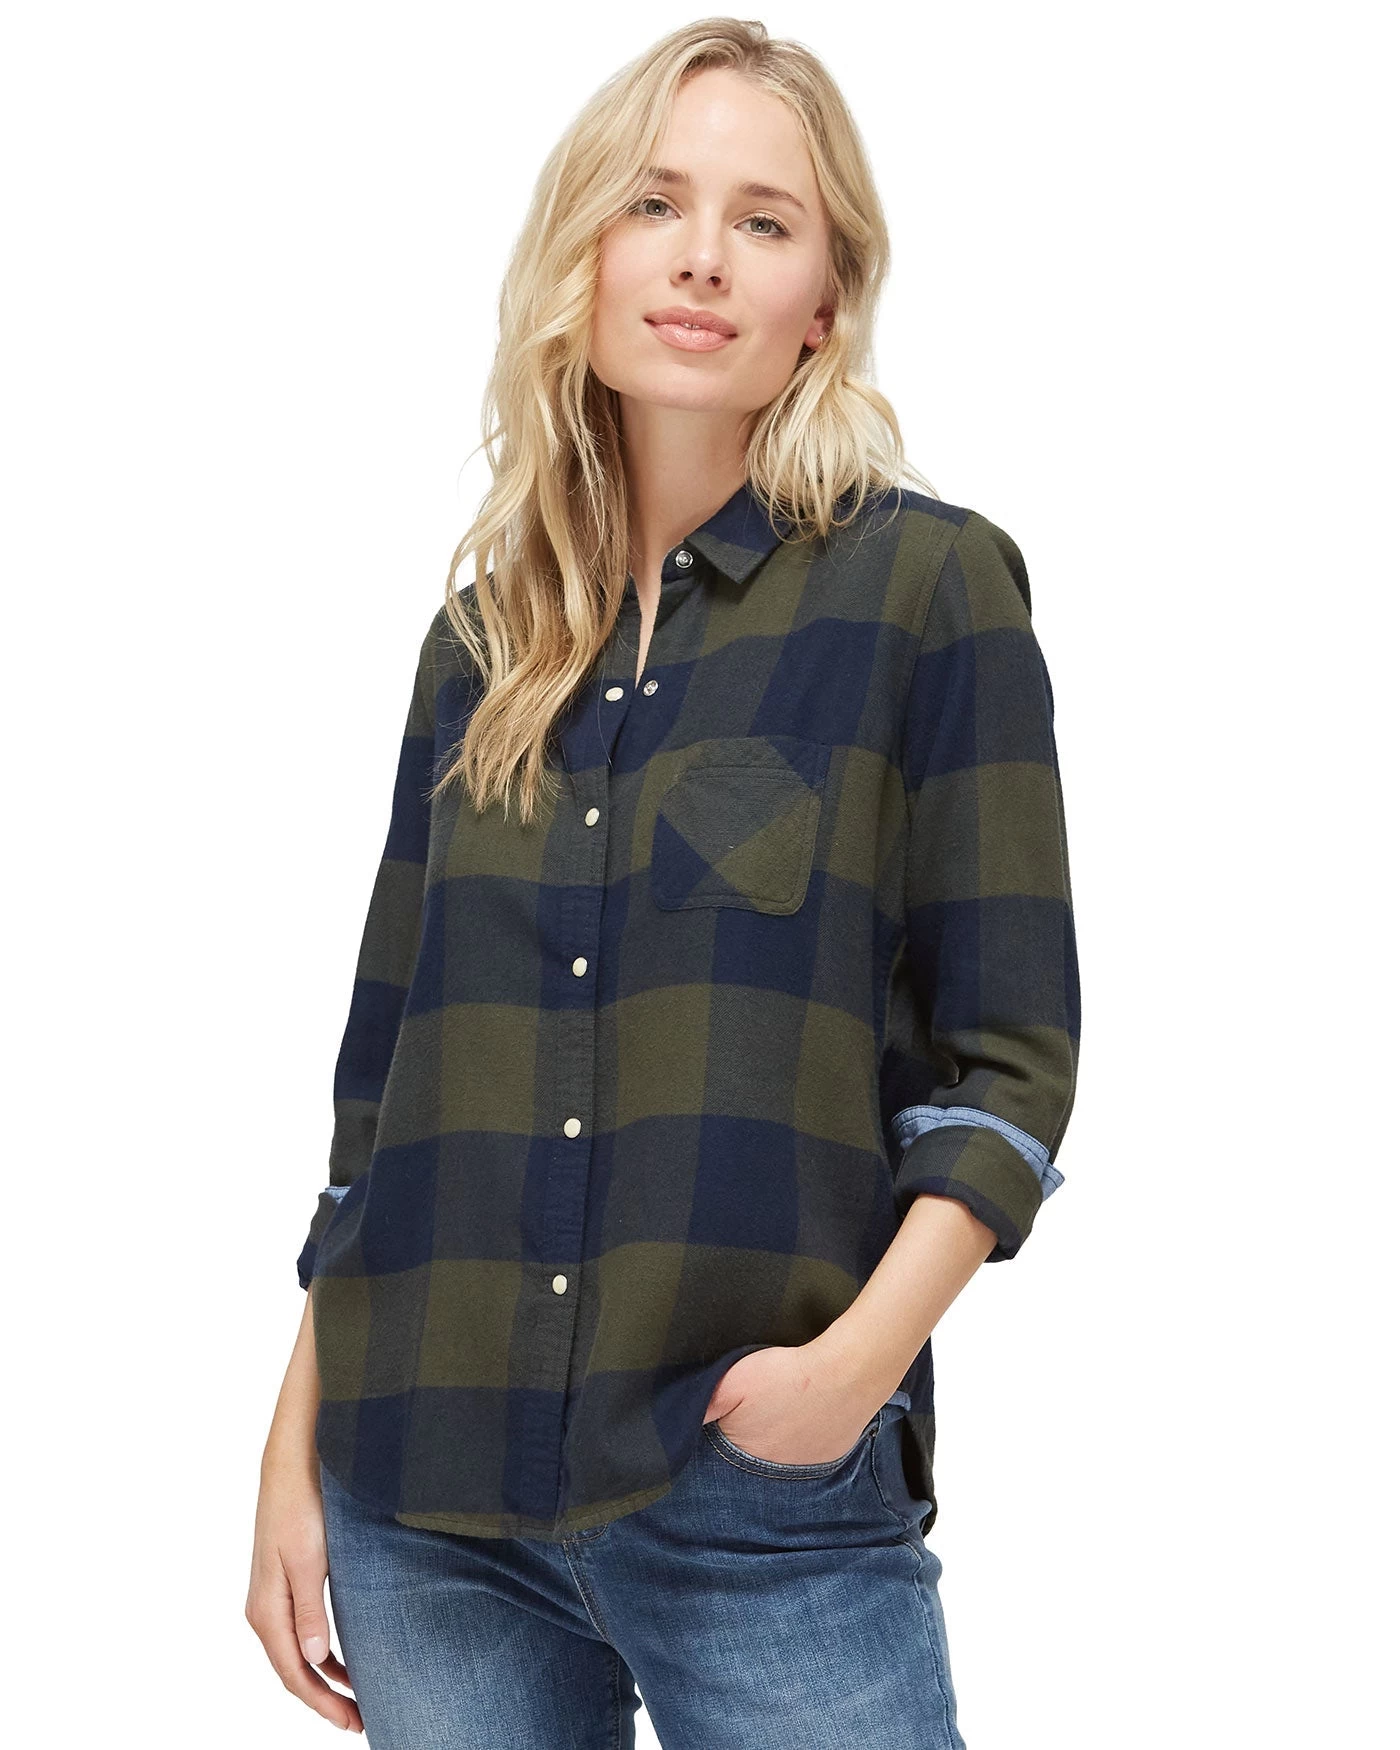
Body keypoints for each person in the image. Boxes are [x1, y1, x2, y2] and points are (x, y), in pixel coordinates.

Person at [246, 18, 1080, 1747]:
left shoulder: (925, 591)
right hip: (428, 1501)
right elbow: (384, 1096)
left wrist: (846, 1376)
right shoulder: (482, 645)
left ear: (824, 302)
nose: (702, 256)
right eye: (655, 203)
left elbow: (1008, 1065)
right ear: (588, 252)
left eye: (764, 221)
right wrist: (290, 1445)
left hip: (758, 1500)